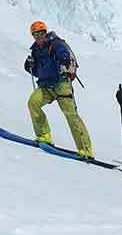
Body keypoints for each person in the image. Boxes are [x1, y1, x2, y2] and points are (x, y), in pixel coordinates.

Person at [23, 20, 95, 159]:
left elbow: (63, 54)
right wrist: (29, 66)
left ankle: (86, 149)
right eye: (35, 34)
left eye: (41, 33)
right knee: (33, 103)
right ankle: (44, 135)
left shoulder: (55, 44)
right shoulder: (36, 51)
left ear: (45, 32)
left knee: (71, 116)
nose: (39, 36)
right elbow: (38, 72)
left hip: (62, 85)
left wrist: (64, 58)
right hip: (46, 86)